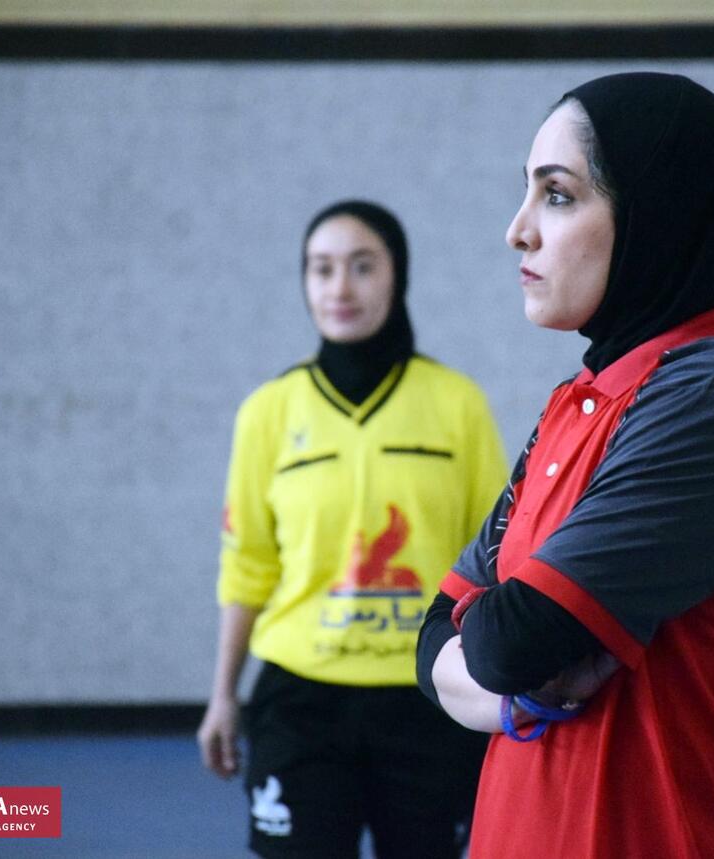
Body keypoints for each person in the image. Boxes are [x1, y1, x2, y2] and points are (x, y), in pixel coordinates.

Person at [416, 73, 714, 858]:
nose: (518, 231)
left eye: (557, 195)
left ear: (656, 214)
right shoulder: (583, 397)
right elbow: (436, 632)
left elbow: (505, 641)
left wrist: (500, 658)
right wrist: (517, 696)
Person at [200, 200, 507, 859]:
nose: (340, 287)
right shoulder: (268, 412)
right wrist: (223, 695)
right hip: (299, 700)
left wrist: (499, 685)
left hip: (429, 694)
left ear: (398, 276)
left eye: (363, 267)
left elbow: (494, 561)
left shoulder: (457, 404)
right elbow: (248, 564)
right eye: (322, 269)